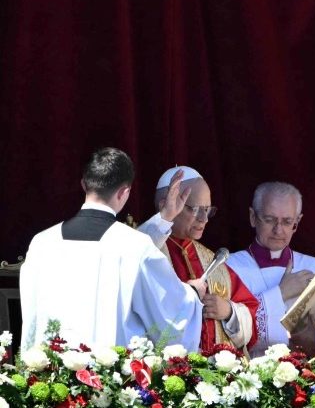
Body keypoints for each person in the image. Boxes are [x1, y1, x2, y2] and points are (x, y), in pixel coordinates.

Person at [20, 148, 205, 350]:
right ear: (125, 192)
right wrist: (193, 293)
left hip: (51, 367)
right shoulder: (134, 246)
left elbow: (31, 318)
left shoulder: (42, 242)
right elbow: (171, 317)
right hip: (110, 369)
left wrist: (166, 216)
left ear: (84, 184)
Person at [225, 182, 315, 357]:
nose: (278, 230)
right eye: (269, 220)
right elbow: (221, 328)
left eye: (287, 222)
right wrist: (280, 293)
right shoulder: (228, 268)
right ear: (253, 217)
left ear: (297, 222)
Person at [138, 166, 259, 355]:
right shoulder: (144, 248)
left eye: (207, 210)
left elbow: (252, 319)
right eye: (194, 209)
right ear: (165, 204)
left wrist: (228, 311)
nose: (204, 219)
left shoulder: (212, 260)